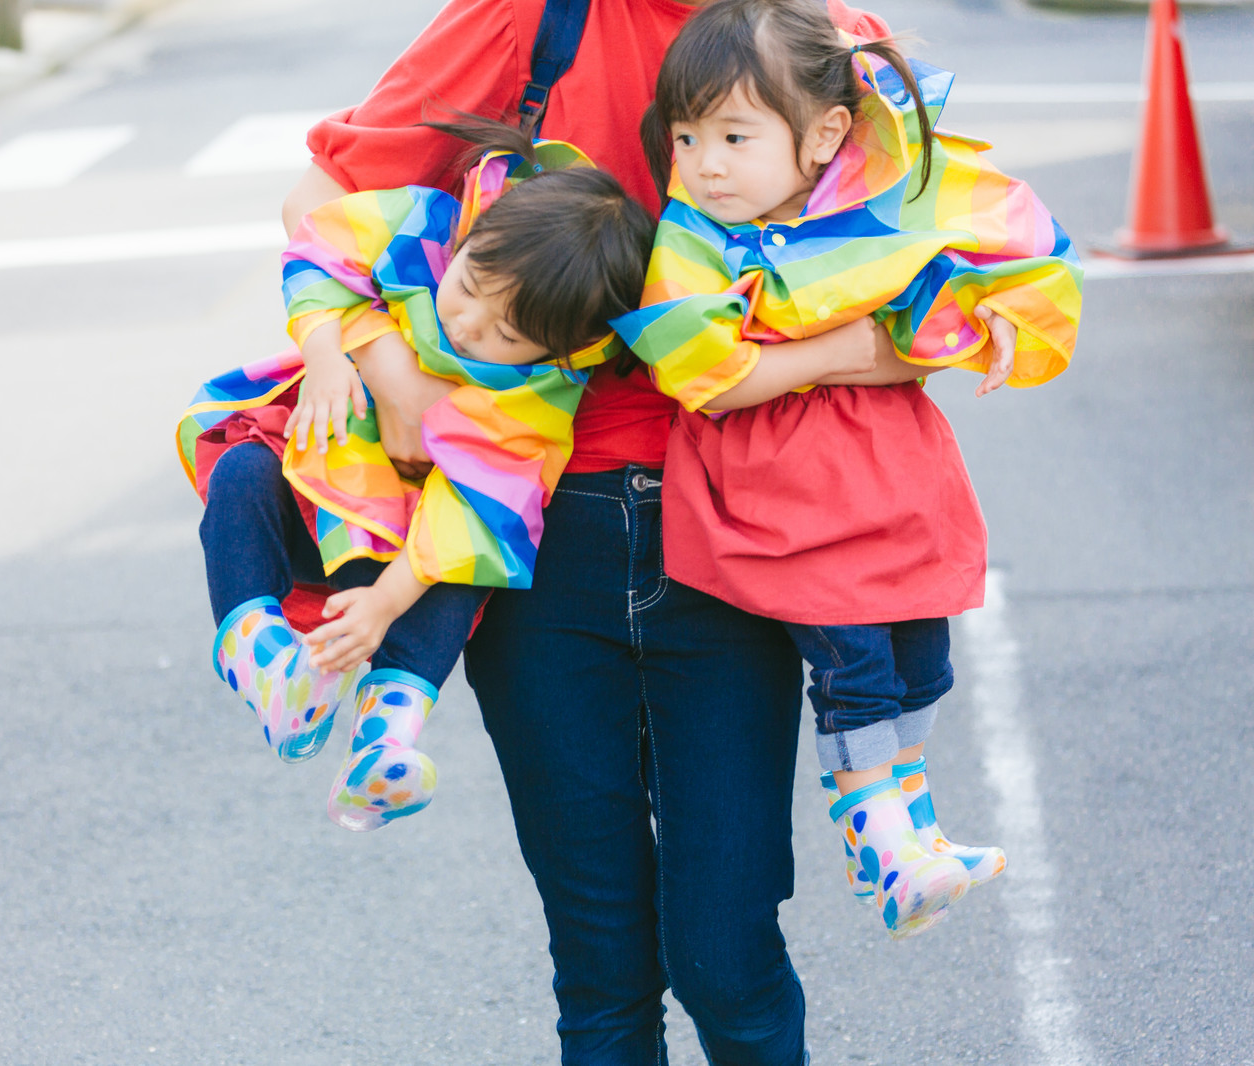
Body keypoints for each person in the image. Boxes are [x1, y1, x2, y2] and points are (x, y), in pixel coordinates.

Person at [280, 2, 924, 1062]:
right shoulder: (533, 17)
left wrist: (770, 369)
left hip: (734, 532)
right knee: (602, 967)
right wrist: (391, 374)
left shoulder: (815, 34)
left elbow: (945, 302)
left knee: (728, 958)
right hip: (536, 542)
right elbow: (323, 197)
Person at [613, 0, 1082, 937]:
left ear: (827, 134)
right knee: (855, 664)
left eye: (735, 135)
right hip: (790, 501)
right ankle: (880, 848)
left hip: (889, 481)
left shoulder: (882, 214)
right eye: (687, 136)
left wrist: (977, 313)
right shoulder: (695, 239)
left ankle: (915, 829)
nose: (705, 161)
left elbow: (948, 290)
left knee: (920, 654)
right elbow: (703, 373)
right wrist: (839, 350)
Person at [180, 125, 654, 831]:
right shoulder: (425, 227)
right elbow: (321, 249)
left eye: (508, 336)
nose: (468, 328)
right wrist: (327, 355)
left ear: (566, 347)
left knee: (465, 570)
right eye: (468, 289)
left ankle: (386, 738)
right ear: (473, 230)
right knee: (243, 470)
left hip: (409, 546)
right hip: (320, 484)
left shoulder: (534, 396)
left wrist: (383, 603)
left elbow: (470, 515)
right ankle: (266, 664)